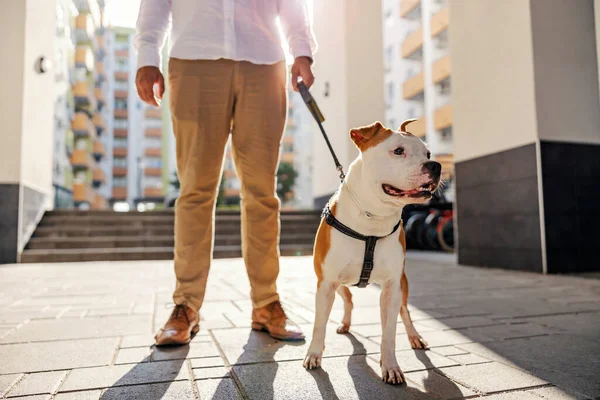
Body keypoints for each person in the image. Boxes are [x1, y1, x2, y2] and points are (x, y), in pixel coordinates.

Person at [134, 0, 317, 345]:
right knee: (195, 190)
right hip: (193, 59)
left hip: (264, 60)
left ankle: (266, 303)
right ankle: (185, 306)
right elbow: (155, 6)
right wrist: (147, 57)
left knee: (262, 192)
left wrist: (302, 51)